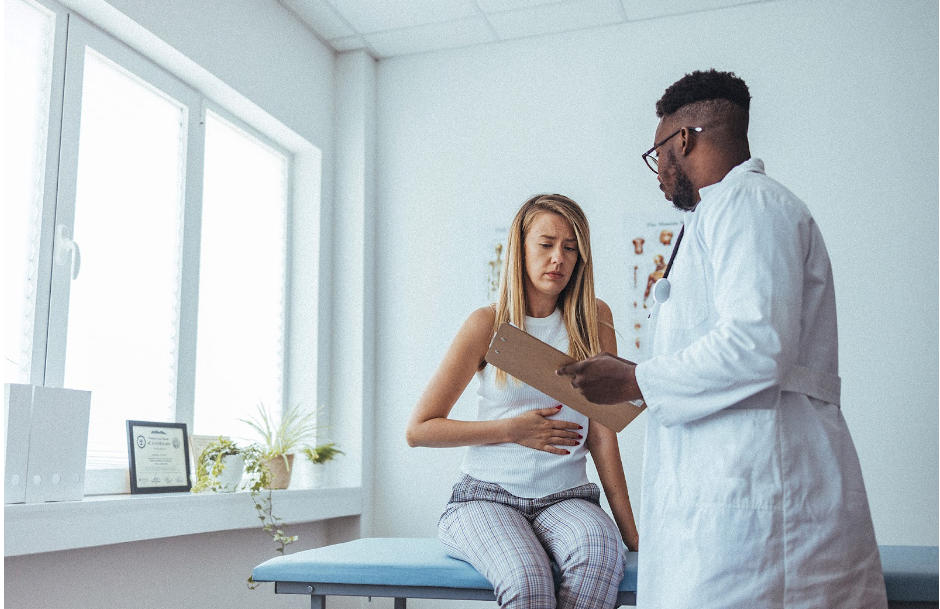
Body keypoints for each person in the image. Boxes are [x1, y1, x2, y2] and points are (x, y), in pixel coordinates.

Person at [558, 70, 888, 608]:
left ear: (683, 139)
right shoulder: (721, 213)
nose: (658, 172)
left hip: (762, 508)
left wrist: (637, 379)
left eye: (657, 154)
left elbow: (758, 343)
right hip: (733, 504)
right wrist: (639, 381)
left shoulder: (749, 204)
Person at [407, 194, 638, 609]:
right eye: (546, 244)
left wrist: (631, 534)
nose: (558, 258)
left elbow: (602, 435)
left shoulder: (594, 319)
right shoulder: (487, 324)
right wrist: (511, 429)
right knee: (527, 580)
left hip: (568, 498)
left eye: (571, 248)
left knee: (601, 558)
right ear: (521, 248)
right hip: (485, 498)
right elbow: (420, 429)